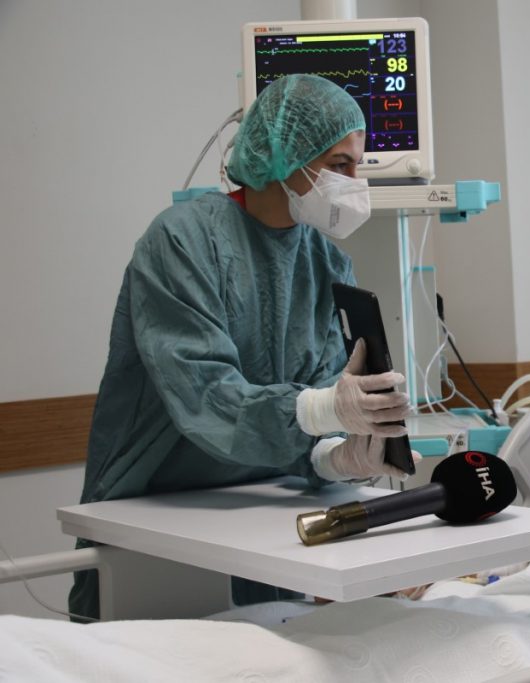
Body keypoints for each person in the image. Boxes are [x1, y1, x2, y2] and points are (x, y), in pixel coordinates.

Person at [70, 74, 417, 620]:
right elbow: (205, 396)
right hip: (157, 511)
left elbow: (320, 397)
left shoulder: (326, 263)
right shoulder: (182, 240)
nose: (355, 183)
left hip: (269, 516)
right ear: (284, 156)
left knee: (271, 640)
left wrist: (334, 458)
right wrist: (324, 409)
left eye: (358, 165)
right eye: (340, 165)